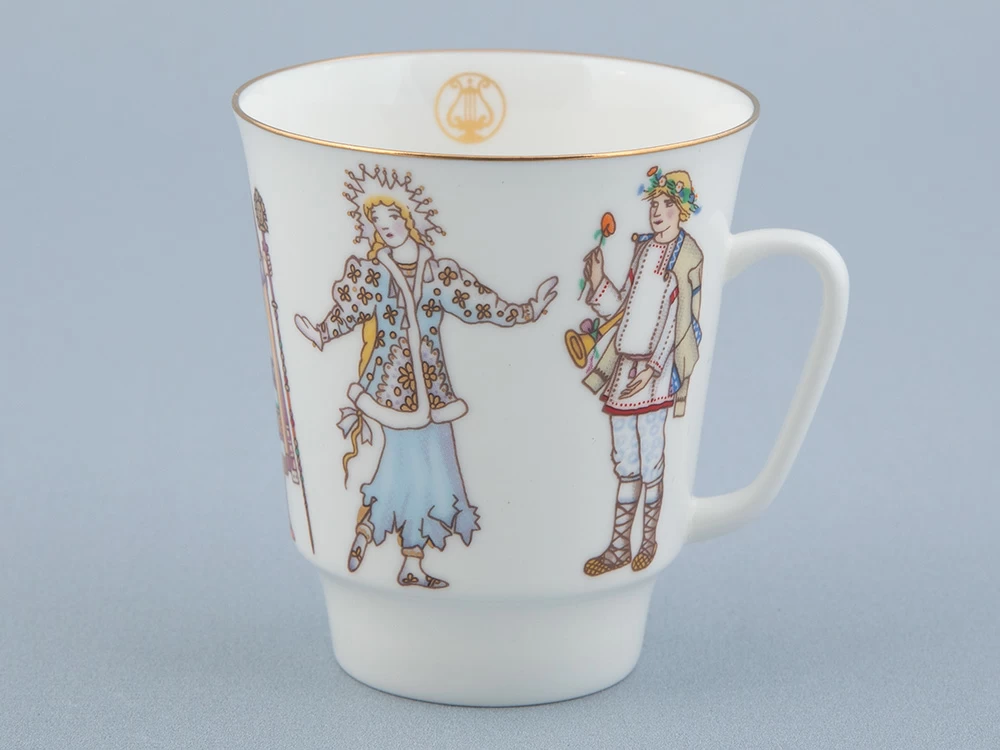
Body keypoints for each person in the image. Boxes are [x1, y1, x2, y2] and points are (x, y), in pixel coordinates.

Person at [295, 189, 558, 589]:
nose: (387, 228)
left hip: (434, 394)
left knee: (432, 470)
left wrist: (527, 311)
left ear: (408, 221)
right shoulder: (375, 274)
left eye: (392, 219)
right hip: (393, 390)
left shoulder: (438, 274)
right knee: (416, 468)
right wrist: (322, 332)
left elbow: (479, 303)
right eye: (379, 224)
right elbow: (351, 309)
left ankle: (378, 537)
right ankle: (395, 550)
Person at [581, 168, 704, 576]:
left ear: (681, 210)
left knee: (651, 457)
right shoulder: (643, 250)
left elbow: (678, 319)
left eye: (667, 204)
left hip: (655, 374)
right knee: (625, 459)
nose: (657, 211)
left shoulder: (687, 256)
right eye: (654, 203)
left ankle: (650, 540)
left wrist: (653, 369)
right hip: (625, 368)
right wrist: (598, 281)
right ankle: (619, 546)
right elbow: (621, 308)